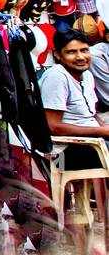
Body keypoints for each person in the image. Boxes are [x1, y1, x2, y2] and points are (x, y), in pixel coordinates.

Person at [40, 28, 109, 169]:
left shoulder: (87, 75)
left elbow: (91, 115)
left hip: (92, 144)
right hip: (63, 156)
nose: (80, 57)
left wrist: (104, 129)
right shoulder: (56, 76)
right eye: (71, 52)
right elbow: (53, 127)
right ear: (57, 55)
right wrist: (102, 132)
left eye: (84, 50)